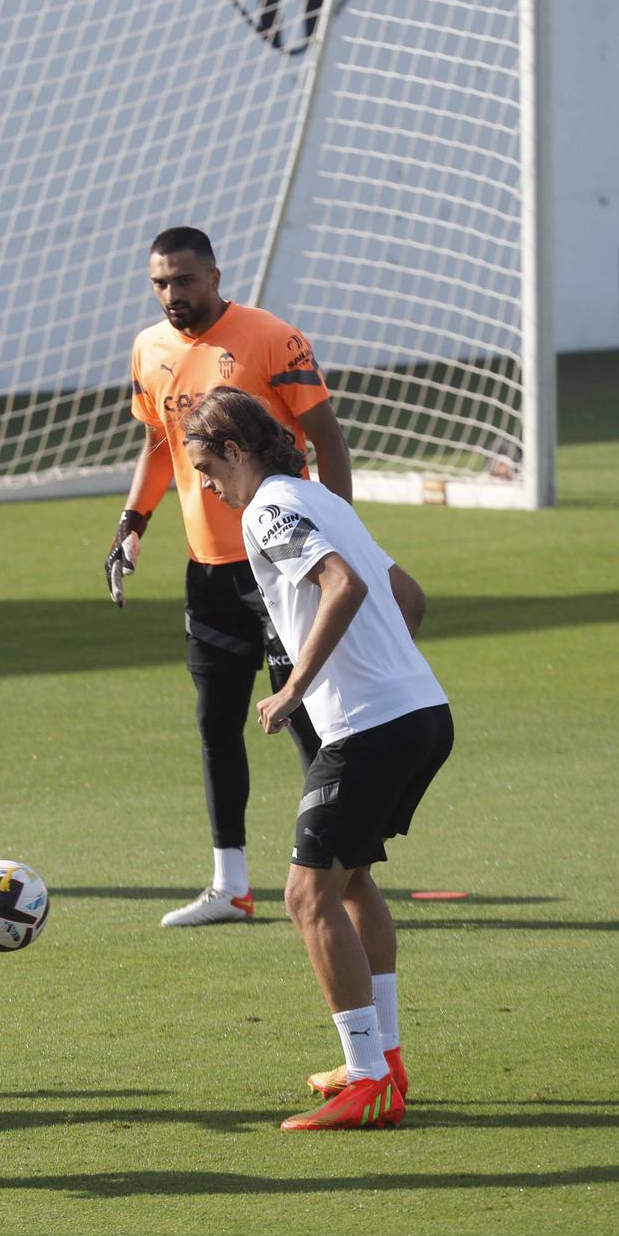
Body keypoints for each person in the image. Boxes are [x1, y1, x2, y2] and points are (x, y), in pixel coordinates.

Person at [183, 388, 451, 1130]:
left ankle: (368, 1079)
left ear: (236, 451)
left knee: (307, 895)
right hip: (422, 713)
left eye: (207, 466)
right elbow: (410, 595)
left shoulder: (266, 508)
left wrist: (295, 686)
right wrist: (390, 670)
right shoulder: (319, 496)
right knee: (352, 879)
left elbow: (346, 584)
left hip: (372, 727)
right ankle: (385, 1059)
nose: (206, 483)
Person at [106, 226, 352, 926]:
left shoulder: (271, 337)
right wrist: (133, 521)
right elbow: (159, 444)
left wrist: (337, 529)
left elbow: (327, 435)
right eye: (159, 282)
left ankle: (342, 870)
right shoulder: (149, 350)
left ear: (215, 274)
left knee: (305, 715)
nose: (171, 295)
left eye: (183, 280)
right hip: (209, 569)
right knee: (217, 721)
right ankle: (232, 886)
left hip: (279, 560)